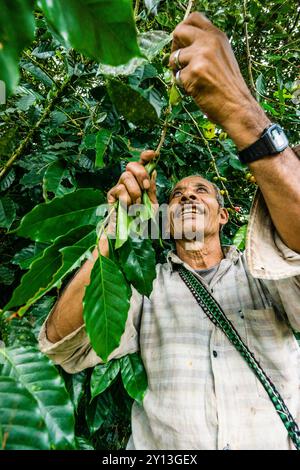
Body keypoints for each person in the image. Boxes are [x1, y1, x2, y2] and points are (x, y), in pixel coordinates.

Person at [38, 13, 300, 450]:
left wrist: (241, 112)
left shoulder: (266, 276)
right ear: (164, 217)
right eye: (177, 195)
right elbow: (63, 347)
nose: (189, 197)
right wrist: (120, 229)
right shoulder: (145, 286)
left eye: (202, 191)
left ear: (223, 216)